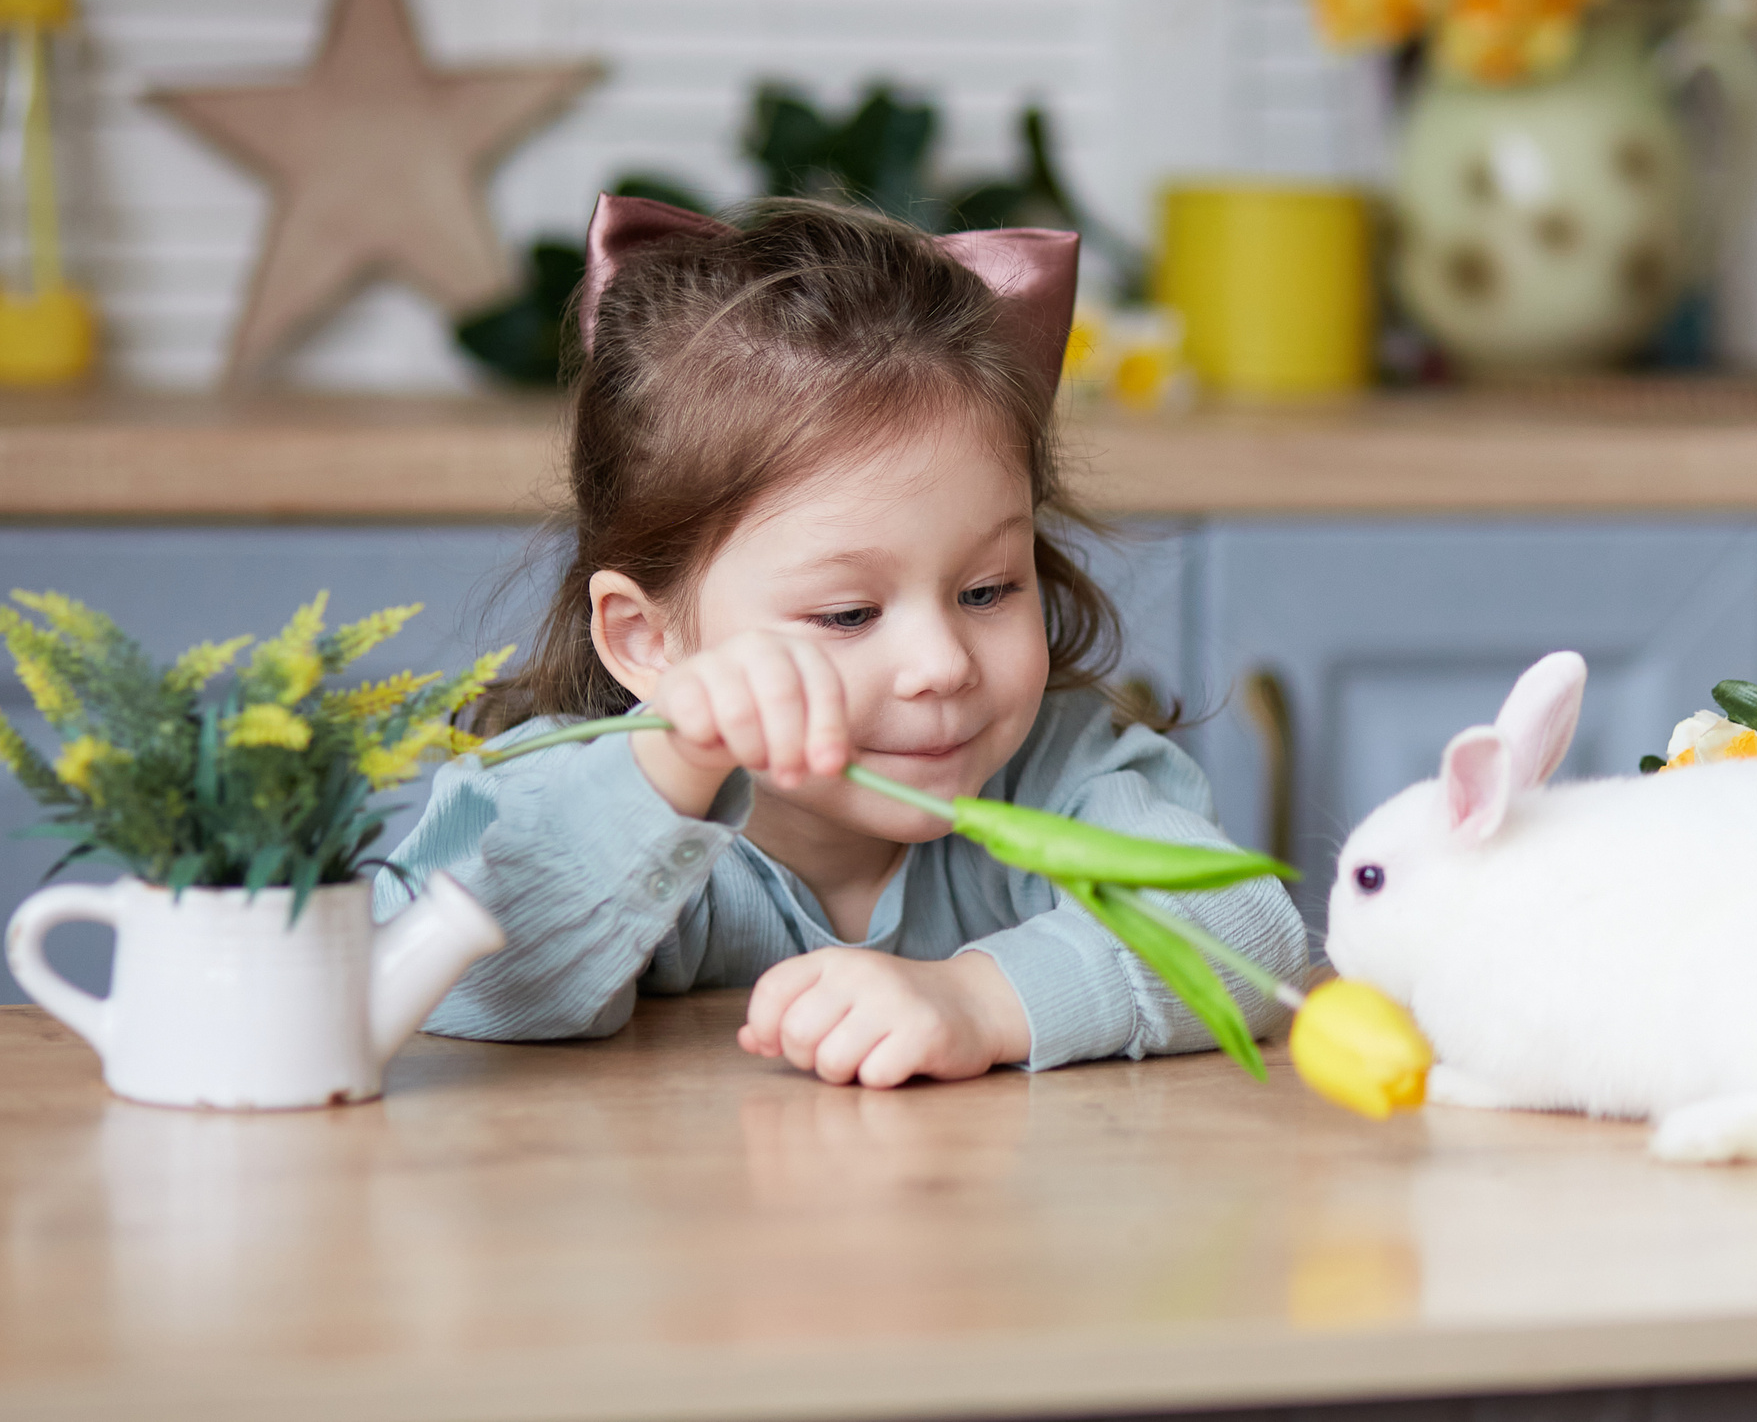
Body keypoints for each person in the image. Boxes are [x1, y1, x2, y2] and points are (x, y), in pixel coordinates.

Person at [377, 195, 1307, 1087]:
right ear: (649, 640)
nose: (942, 664)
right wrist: (668, 769)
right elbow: (431, 970)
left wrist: (980, 1002)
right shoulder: (575, 788)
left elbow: (1246, 933)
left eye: (986, 590)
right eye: (849, 615)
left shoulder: (1062, 775)